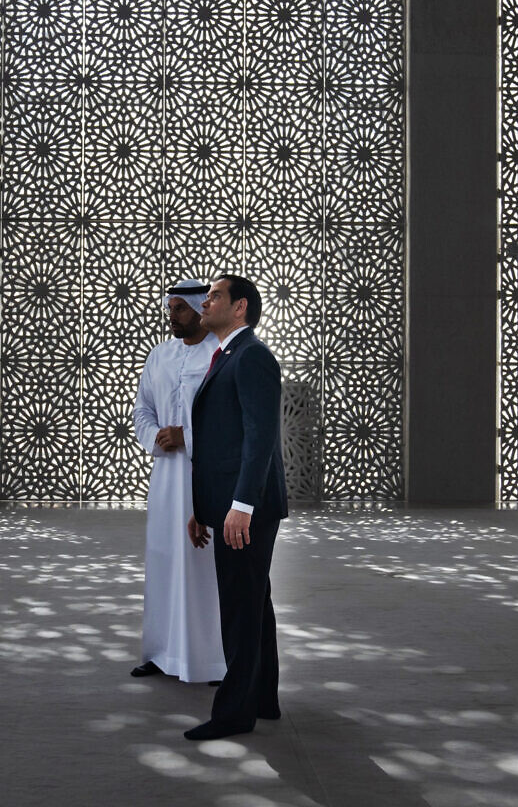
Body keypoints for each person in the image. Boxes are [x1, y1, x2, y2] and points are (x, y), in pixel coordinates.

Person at [184, 274, 288, 741]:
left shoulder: (252, 357)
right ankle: (263, 698)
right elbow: (218, 441)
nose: (204, 302)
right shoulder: (228, 354)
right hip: (228, 504)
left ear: (240, 307)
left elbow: (259, 438)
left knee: (241, 608)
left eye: (215, 296)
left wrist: (241, 505)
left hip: (245, 508)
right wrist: (201, 506)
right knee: (254, 603)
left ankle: (233, 714)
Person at [130, 279, 227, 684]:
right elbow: (142, 410)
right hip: (166, 480)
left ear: (199, 311)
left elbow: (228, 422)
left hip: (207, 476)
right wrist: (157, 436)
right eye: (170, 309)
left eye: (180, 309)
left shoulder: (220, 356)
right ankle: (162, 653)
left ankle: (212, 661)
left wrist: (188, 437)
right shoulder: (160, 355)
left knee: (204, 568)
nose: (173, 316)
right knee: (165, 560)